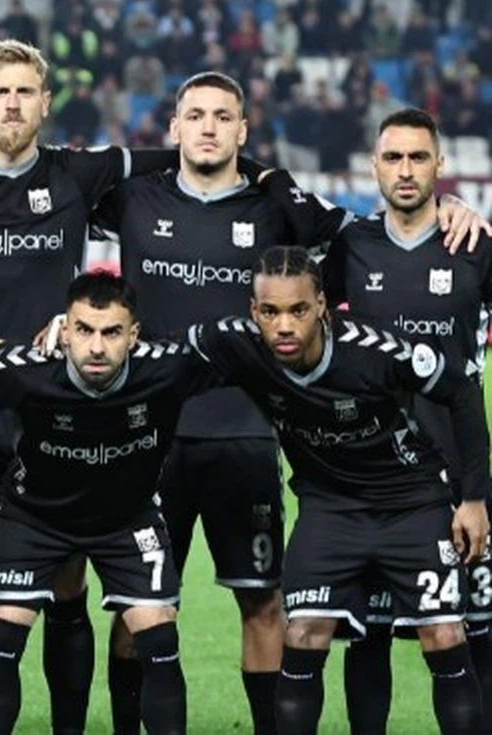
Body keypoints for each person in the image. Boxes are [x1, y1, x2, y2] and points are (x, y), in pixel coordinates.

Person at [85, 72, 491, 735]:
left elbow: (351, 243)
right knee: (140, 607)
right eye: (196, 115)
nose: (209, 126)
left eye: (224, 116)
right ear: (175, 126)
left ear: (244, 131)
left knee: (278, 607)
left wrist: (451, 210)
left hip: (261, 440)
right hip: (150, 438)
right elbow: (48, 206)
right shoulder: (134, 196)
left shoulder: (279, 209)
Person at [0, 38, 199, 734]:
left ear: (45, 103)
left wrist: (265, 180)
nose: (13, 103)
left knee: (67, 581)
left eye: (25, 91)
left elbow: (183, 161)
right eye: (1, 91)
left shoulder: (77, 174)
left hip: (59, 407)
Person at [190, 245, 489, 734]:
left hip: (411, 503)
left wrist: (473, 499)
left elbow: (460, 390)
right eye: (270, 312)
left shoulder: (375, 352)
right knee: (304, 632)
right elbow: (161, 355)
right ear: (253, 311)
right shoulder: (237, 344)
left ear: (322, 306)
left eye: (298, 310)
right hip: (329, 509)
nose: (284, 326)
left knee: (443, 634)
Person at [0, 271, 220, 734]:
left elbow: (253, 356)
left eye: (111, 333)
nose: (97, 347)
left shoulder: (168, 370)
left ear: (134, 335)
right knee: (1, 636)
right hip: (33, 519)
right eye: (84, 330)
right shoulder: (27, 371)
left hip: (127, 520)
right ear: (64, 330)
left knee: (159, 639)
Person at [316, 107, 492, 733]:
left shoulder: (474, 245)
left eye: (419, 157)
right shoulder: (352, 247)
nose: (406, 170)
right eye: (393, 158)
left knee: (474, 633)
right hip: (372, 479)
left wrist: (477, 494)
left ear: (441, 165)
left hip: (459, 477)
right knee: (370, 637)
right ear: (375, 166)